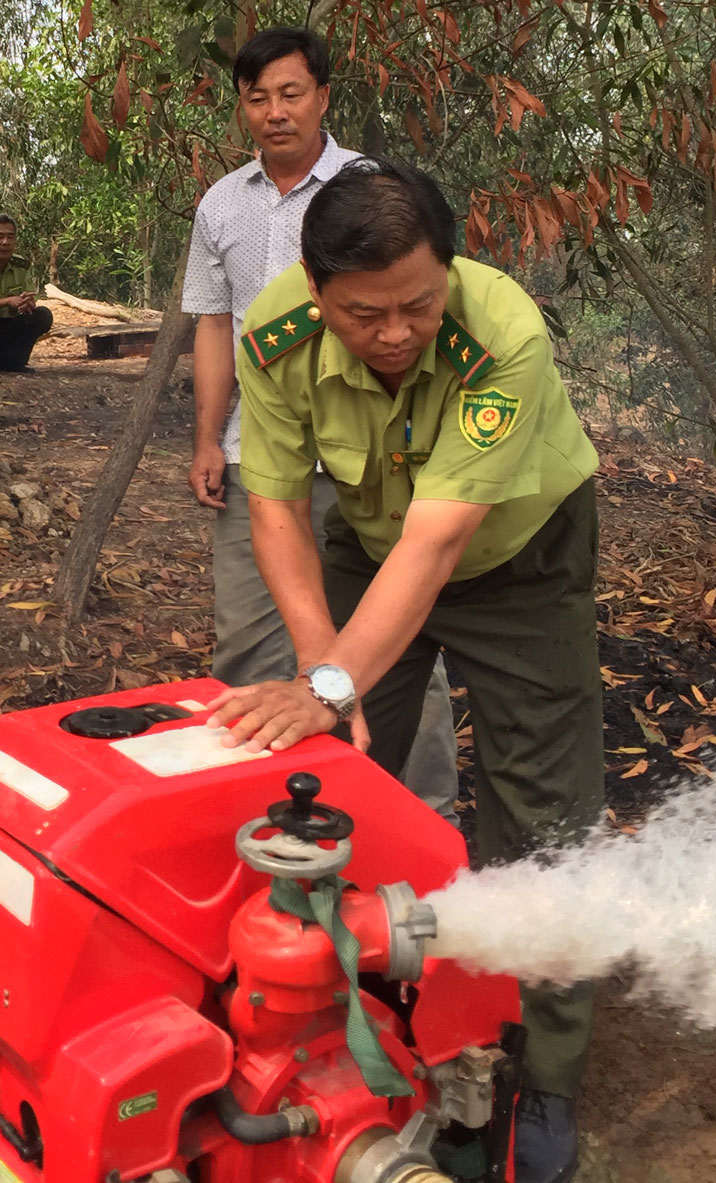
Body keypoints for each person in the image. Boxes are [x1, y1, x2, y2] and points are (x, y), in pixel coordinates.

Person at [206, 156, 604, 1183]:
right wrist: (316, 673)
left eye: (415, 306)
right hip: (364, 540)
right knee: (343, 779)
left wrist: (330, 683)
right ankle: (369, 1005)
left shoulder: (499, 332)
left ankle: (544, 1068)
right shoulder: (275, 332)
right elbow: (278, 504)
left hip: (513, 553)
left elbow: (437, 545)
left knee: (539, 804)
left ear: (448, 272)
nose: (391, 332)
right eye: (361, 313)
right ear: (316, 291)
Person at [181, 28, 458, 816]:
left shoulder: (372, 189)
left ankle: (420, 809)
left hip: (372, 455)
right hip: (259, 453)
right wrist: (207, 436)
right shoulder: (220, 204)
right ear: (241, 107)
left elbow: (416, 309)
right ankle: (262, 809)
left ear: (324, 96)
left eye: (291, 93)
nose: (275, 112)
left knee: (397, 638)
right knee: (246, 640)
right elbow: (215, 322)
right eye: (257, 97)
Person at [0, 214, 52, 374]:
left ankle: (11, 362)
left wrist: (26, 304)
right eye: (0, 236)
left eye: (10, 237)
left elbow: (28, 298)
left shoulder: (22, 266)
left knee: (42, 315)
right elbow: (9, 301)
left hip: (7, 325)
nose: (5, 242)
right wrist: (7, 301)